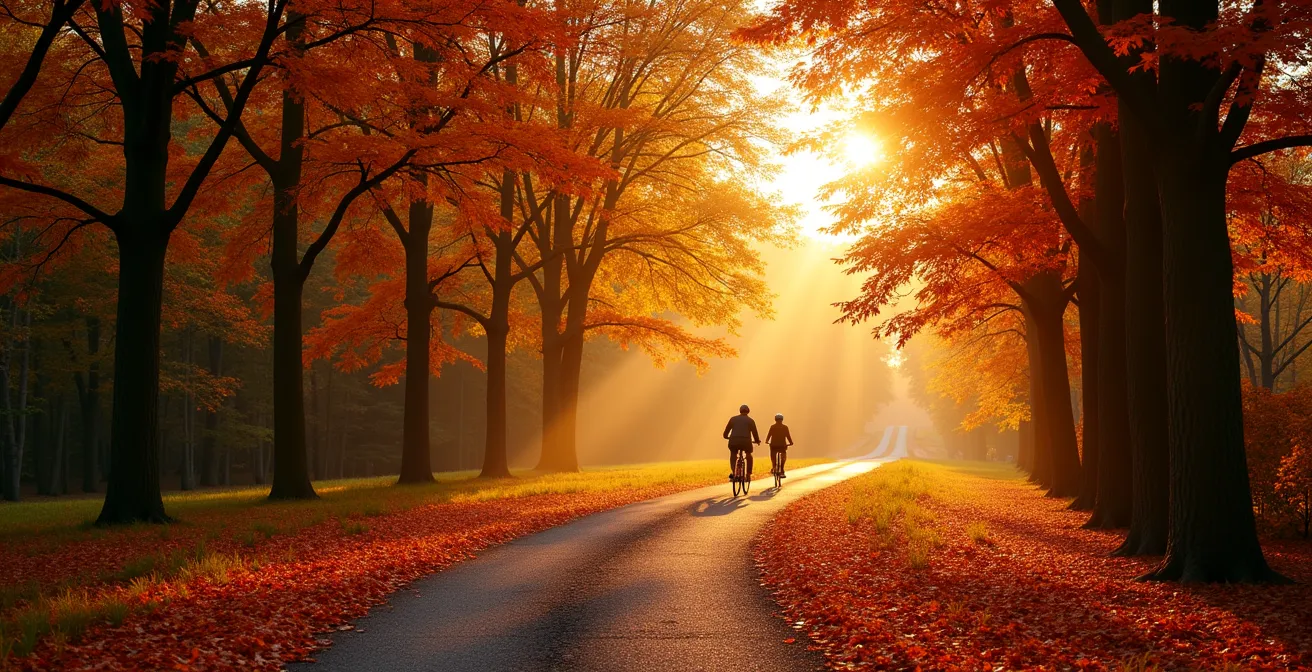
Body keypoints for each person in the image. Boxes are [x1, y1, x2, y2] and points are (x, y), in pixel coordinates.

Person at [722, 404, 760, 480]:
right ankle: (748, 474)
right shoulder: (751, 421)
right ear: (748, 412)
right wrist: (757, 441)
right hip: (746, 442)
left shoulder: (733, 419)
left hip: (733, 441)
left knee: (733, 454)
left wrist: (727, 437)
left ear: (740, 411)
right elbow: (755, 433)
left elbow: (725, 433)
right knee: (748, 454)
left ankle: (734, 472)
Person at [766, 413, 793, 478]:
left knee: (773, 455)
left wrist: (767, 441)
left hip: (774, 445)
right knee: (783, 456)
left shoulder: (772, 427)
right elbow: (788, 436)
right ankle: (782, 470)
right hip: (782, 445)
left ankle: (774, 467)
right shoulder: (785, 427)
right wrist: (791, 442)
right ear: (782, 420)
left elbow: (769, 435)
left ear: (775, 420)